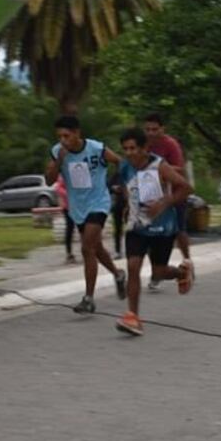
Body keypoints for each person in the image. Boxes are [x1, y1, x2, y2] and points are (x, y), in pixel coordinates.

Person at [114, 128, 195, 336]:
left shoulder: (159, 166)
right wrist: (128, 205)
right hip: (137, 226)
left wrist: (164, 203)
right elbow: (127, 186)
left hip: (162, 228)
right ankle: (133, 317)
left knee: (159, 273)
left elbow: (186, 188)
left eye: (133, 148)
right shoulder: (124, 166)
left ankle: (181, 273)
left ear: (144, 148)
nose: (129, 153)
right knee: (133, 266)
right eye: (125, 149)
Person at [45, 116, 126, 314]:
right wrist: (59, 160)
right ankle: (117, 274)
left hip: (98, 202)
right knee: (96, 248)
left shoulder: (96, 148)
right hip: (78, 207)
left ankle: (88, 299)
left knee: (86, 247)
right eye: (60, 136)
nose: (63, 140)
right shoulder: (57, 152)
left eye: (67, 135)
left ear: (77, 133)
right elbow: (49, 180)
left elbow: (120, 162)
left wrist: (116, 184)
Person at [143, 113, 190, 290]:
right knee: (150, 234)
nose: (151, 133)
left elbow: (181, 170)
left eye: (155, 129)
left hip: (174, 193)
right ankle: (156, 271)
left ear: (162, 129)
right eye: (147, 129)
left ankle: (187, 261)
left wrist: (160, 168)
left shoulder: (170, 144)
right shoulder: (142, 145)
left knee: (179, 231)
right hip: (151, 194)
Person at [54, 176, 77, 264]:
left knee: (84, 228)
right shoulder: (64, 175)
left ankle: (89, 250)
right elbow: (58, 188)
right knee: (70, 229)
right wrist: (69, 194)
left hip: (80, 205)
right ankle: (69, 253)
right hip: (68, 207)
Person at [108, 168, 127, 258]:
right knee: (118, 229)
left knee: (132, 228)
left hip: (130, 205)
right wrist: (113, 188)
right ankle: (118, 250)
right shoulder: (116, 175)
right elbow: (108, 186)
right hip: (118, 205)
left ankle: (132, 249)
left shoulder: (131, 173)